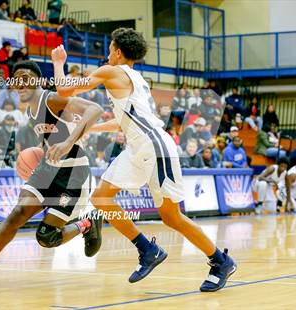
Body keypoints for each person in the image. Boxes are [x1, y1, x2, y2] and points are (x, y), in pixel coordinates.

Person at [51, 28, 236, 291]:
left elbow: (63, 89)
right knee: (101, 198)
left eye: (110, 48)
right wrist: (90, 128)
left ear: (116, 51)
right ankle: (148, 250)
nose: (107, 53)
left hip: (154, 147)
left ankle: (221, 261)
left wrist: (58, 62)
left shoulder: (111, 71)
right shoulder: (136, 78)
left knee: (172, 217)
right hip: (138, 147)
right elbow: (124, 123)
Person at [0, 61, 104, 290]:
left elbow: (95, 109)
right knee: (17, 213)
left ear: (37, 81)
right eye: (16, 78)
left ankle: (87, 223)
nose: (20, 82)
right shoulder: (29, 110)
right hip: (47, 169)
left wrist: (67, 143)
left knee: (46, 237)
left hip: (73, 174)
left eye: (25, 77)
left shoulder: (51, 99)